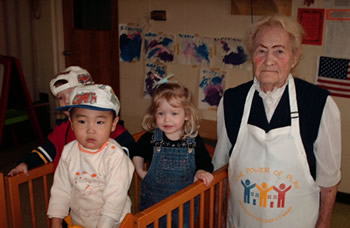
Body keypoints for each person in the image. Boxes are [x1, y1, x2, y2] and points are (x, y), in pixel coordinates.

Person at [212, 15, 341, 228]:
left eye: (279, 51)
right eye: (261, 50)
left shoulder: (318, 104)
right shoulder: (232, 101)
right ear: (252, 56)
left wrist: (324, 223)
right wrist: (218, 217)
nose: (269, 60)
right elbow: (221, 167)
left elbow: (328, 182)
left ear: (294, 57)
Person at [8, 66, 135, 176]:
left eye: (73, 93)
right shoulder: (61, 128)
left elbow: (127, 146)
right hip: (71, 193)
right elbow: (45, 151)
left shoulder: (106, 125)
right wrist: (26, 162)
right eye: (61, 98)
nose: (67, 101)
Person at [47, 84, 134, 228]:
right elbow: (61, 189)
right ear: (71, 123)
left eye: (99, 122)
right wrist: (56, 219)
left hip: (114, 222)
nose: (90, 130)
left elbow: (115, 197)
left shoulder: (115, 156)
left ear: (113, 124)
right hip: (80, 221)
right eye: (82, 121)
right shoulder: (69, 152)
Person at [132, 82, 214, 227]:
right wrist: (139, 170)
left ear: (187, 115)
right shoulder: (152, 137)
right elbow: (137, 151)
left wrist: (200, 172)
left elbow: (205, 162)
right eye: (161, 113)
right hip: (153, 203)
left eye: (174, 113)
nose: (167, 119)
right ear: (154, 114)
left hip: (184, 203)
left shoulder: (193, 140)